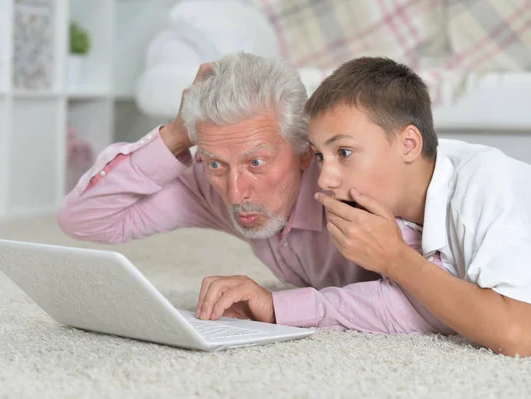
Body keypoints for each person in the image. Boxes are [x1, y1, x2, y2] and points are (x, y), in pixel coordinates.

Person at [57, 52, 452, 341]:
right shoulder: (213, 183)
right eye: (215, 164)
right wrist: (177, 135)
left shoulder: (355, 188)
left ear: (303, 151)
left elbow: (430, 304)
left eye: (257, 162)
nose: (235, 192)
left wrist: (281, 307)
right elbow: (84, 219)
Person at [306, 56, 531, 357]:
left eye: (344, 152)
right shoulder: (391, 210)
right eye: (320, 156)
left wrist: (396, 259)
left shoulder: (486, 182)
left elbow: (518, 333)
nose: (324, 180)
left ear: (409, 144)